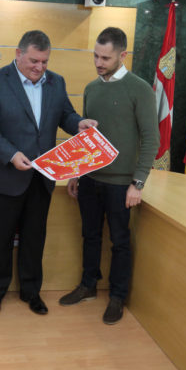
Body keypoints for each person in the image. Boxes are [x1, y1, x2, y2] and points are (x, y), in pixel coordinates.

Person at [0, 30, 97, 316]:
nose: (39, 68)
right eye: (33, 61)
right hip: (3, 177)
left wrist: (78, 124)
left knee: (34, 239)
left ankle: (31, 292)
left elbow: (65, 115)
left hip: (41, 178)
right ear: (18, 54)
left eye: (44, 62)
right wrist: (11, 154)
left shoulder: (56, 82)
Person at [59, 27, 159, 325]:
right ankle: (88, 285)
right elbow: (86, 139)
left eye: (105, 58)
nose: (98, 62)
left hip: (121, 184)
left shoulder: (140, 89)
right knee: (89, 235)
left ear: (122, 55)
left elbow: (151, 139)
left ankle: (117, 296)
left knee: (120, 241)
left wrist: (137, 183)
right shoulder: (91, 88)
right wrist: (76, 172)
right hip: (90, 180)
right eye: (96, 56)